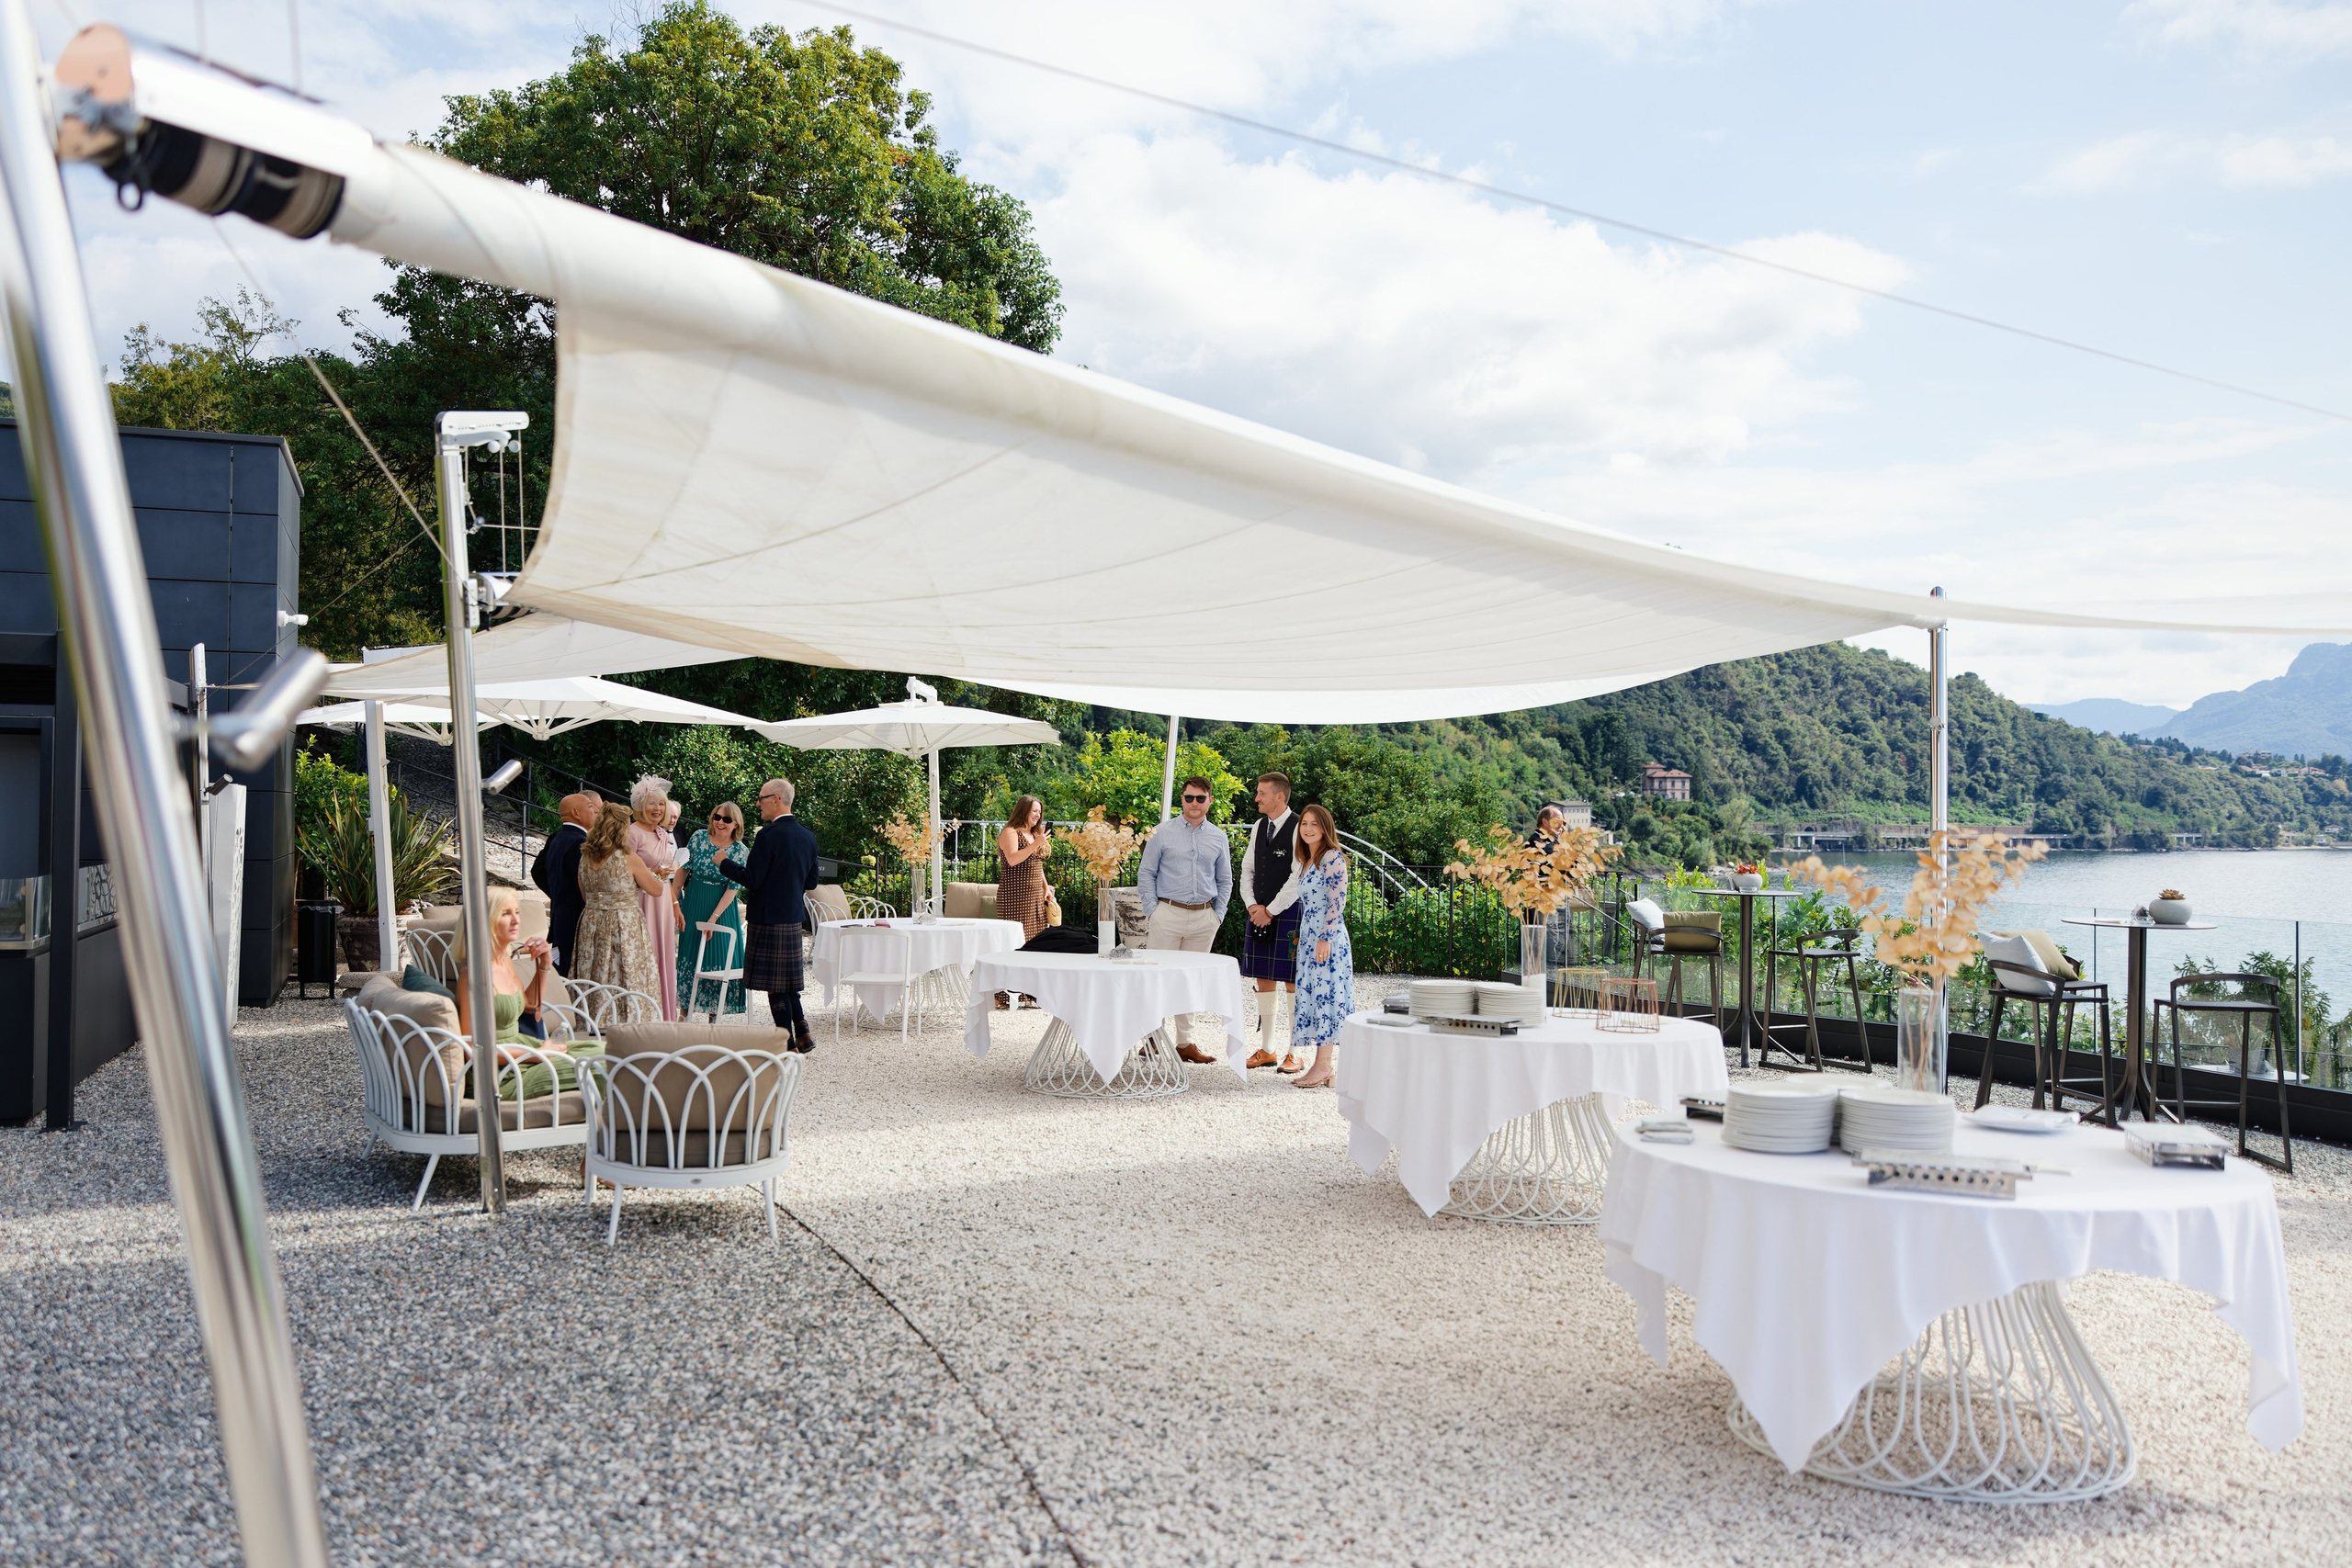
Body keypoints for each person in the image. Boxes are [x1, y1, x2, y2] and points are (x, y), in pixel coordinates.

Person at [455, 886, 603, 1099]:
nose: (516, 920)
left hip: (523, 1052)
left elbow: (530, 1005)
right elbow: (471, 1049)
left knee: (607, 1050)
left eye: (516, 912)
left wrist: (544, 964)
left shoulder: (504, 961)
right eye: (505, 913)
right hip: (500, 1074)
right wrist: (536, 1055)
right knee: (602, 1063)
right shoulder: (473, 976)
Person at [718, 776, 821, 1054]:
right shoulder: (808, 836)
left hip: (767, 917)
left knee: (776, 986)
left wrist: (724, 863)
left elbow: (752, 879)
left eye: (761, 798)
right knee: (787, 981)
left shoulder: (767, 835)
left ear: (776, 799)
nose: (758, 804)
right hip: (791, 916)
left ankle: (785, 1042)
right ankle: (803, 1031)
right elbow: (810, 882)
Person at [1136, 774, 1230, 1065]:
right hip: (1167, 913)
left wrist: (1217, 915)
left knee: (1190, 981)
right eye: (1189, 797)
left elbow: (1225, 879)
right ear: (1182, 799)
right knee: (1157, 978)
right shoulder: (1162, 833)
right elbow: (1146, 874)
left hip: (1204, 918)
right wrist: (1153, 910)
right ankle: (1151, 1040)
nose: (1194, 803)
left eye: (1200, 798)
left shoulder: (1218, 837)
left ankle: (1185, 1043)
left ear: (1210, 801)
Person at [1239, 772, 1306, 1073]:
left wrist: (1271, 910)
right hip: (1260, 911)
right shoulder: (1258, 826)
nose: (1256, 798)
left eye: (1261, 793)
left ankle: (1296, 1051)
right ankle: (1267, 1050)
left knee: (1293, 981)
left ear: (1279, 796)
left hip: (1289, 911)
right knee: (1264, 979)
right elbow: (1248, 870)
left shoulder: (1299, 826)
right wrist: (1253, 905)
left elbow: (1298, 876)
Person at [571, 802, 667, 1006]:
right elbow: (656, 890)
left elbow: (584, 893)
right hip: (623, 923)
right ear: (621, 828)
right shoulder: (628, 858)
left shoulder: (585, 857)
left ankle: (593, 1015)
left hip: (591, 921)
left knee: (594, 970)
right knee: (624, 971)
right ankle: (626, 1017)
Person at [1287, 804, 1353, 1090]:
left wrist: (1325, 938)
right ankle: (1321, 1063)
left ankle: (1324, 1064)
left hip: (1328, 940)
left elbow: (1337, 902)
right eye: (1304, 823)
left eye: (1315, 824)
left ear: (1325, 828)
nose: (1308, 829)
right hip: (1310, 938)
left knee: (1327, 996)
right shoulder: (1307, 860)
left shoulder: (1331, 857)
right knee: (1314, 997)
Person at [676, 799, 752, 1020]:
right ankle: (684, 1011)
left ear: (736, 824)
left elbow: (733, 889)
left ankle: (714, 1013)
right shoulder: (698, 837)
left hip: (722, 909)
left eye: (727, 819)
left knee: (716, 957)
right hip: (694, 901)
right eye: (717, 817)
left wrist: (713, 918)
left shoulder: (740, 850)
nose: (720, 822)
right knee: (689, 954)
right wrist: (674, 899)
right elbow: (684, 869)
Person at [627, 776, 684, 1021]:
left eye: (661, 805)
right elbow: (623, 871)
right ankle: (645, 1015)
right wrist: (651, 873)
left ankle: (665, 1016)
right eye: (652, 804)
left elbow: (667, 876)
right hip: (641, 901)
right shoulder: (632, 833)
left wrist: (675, 905)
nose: (657, 809)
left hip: (662, 902)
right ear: (640, 805)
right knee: (645, 955)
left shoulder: (663, 833)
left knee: (665, 955)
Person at [530, 791, 596, 974]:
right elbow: (582, 887)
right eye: (591, 808)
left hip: (562, 921)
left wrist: (559, 895)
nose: (594, 813)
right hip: (575, 923)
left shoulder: (558, 839)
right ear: (576, 813)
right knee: (575, 978)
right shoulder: (580, 843)